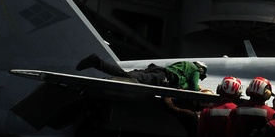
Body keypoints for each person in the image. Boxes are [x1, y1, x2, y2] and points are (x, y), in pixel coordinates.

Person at [76, 54, 208, 91]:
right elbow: (193, 87)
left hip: (157, 71)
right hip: (161, 77)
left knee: (126, 76)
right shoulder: (196, 70)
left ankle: (102, 70)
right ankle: (98, 62)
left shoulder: (186, 64)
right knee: (128, 77)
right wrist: (200, 89)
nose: (199, 77)